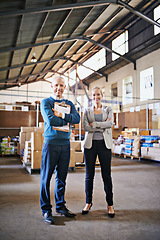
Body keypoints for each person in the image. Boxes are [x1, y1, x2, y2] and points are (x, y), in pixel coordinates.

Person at [40, 76, 80, 224]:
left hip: (65, 144)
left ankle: (60, 206)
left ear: (65, 87)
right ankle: (46, 210)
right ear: (51, 86)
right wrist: (67, 119)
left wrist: (62, 115)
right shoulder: (46, 102)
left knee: (61, 178)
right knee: (46, 178)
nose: (59, 88)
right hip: (51, 144)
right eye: (56, 85)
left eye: (62, 86)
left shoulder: (69, 104)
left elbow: (77, 119)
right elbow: (51, 120)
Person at [82, 86, 115, 218]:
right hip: (90, 146)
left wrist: (94, 125)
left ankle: (110, 205)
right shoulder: (87, 110)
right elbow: (85, 127)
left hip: (104, 145)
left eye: (98, 94)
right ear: (91, 96)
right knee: (89, 176)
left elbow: (110, 124)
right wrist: (101, 124)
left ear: (102, 95)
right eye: (94, 95)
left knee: (106, 176)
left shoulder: (108, 109)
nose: (96, 97)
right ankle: (88, 203)